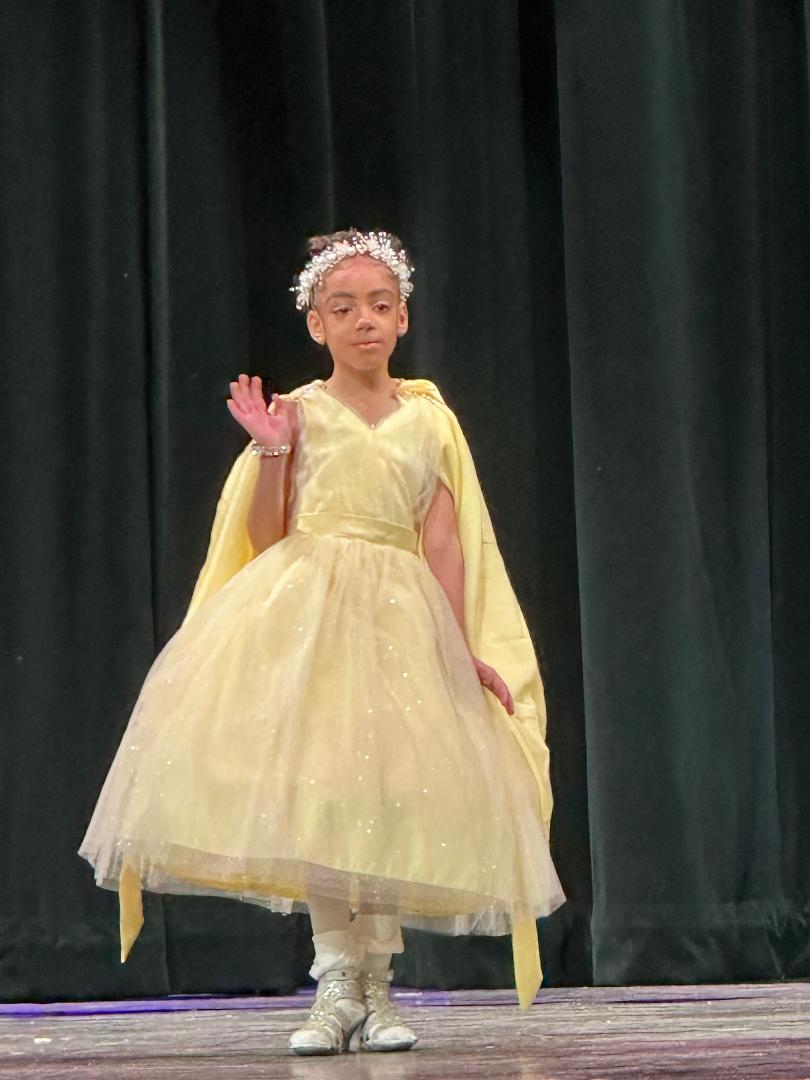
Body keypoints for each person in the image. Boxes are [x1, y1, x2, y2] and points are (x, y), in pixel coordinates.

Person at [79, 228, 566, 1056]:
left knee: (391, 792)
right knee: (325, 791)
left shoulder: (429, 421)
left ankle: (378, 983)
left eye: (379, 305)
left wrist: (458, 644)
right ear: (316, 324)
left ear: (403, 317)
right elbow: (268, 535)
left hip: (400, 617)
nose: (363, 320)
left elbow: (443, 541)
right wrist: (272, 448)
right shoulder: (299, 413)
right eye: (343, 308)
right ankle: (336, 978)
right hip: (312, 615)